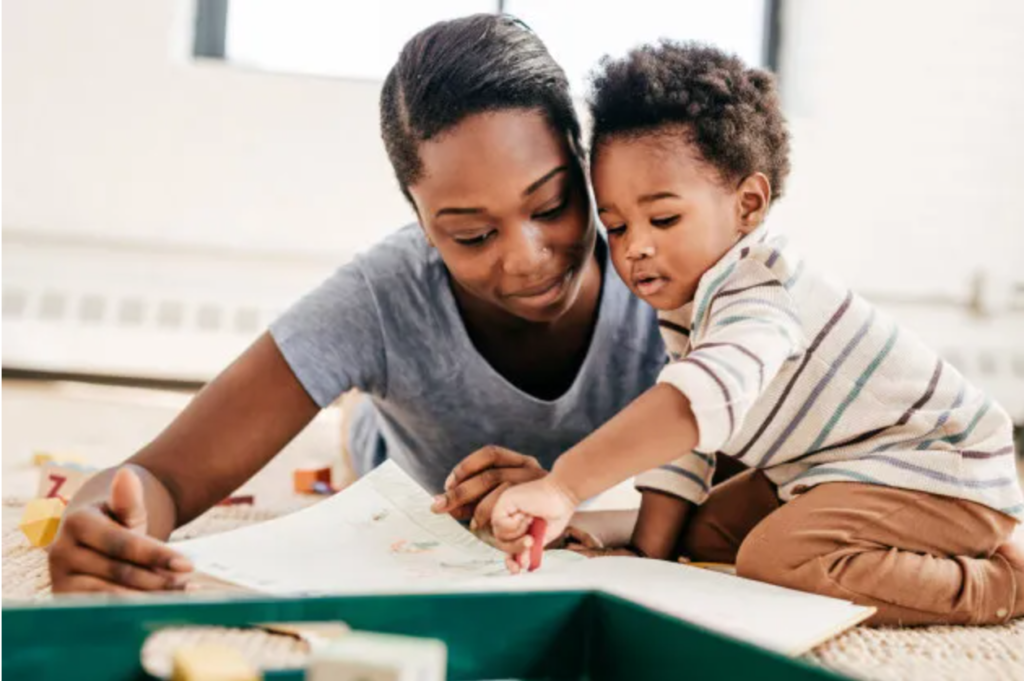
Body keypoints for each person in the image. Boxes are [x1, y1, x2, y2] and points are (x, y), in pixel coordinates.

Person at [47, 14, 666, 594]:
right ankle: (357, 415)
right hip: (393, 460)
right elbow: (161, 477)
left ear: (584, 164)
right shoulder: (382, 295)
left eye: (552, 205)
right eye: (472, 235)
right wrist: (102, 524)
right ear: (422, 224)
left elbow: (749, 494)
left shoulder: (669, 270)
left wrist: (563, 497)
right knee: (365, 437)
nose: (528, 257)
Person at [491, 41, 1024, 626]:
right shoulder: (695, 300)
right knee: (705, 529)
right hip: (829, 468)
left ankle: (1000, 582)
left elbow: (698, 402)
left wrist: (566, 486)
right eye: (615, 227)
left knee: (778, 560)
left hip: (936, 467)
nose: (634, 246)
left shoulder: (763, 290)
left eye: (663, 219)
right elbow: (689, 443)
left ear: (747, 204)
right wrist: (646, 553)